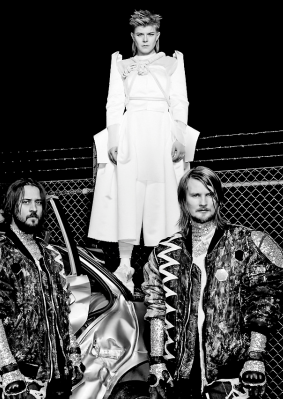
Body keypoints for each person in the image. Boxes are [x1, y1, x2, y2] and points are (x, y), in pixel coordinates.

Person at [142, 166, 283, 399]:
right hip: (180, 374)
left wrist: (255, 357)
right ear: (183, 201)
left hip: (231, 375)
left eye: (209, 194)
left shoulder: (248, 243)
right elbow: (156, 308)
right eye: (195, 195)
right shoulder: (164, 252)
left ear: (218, 198)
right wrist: (157, 362)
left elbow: (264, 303)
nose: (203, 202)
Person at [88, 10, 200, 293]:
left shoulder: (173, 62)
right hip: (132, 131)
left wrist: (179, 138)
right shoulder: (120, 64)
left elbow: (180, 101)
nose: (146, 39)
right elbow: (114, 103)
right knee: (128, 194)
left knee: (163, 197)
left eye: (150, 34)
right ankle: (125, 266)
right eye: (140, 34)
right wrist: (114, 140)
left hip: (162, 131)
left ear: (158, 36)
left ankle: (158, 266)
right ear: (133, 36)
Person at [0, 178, 85, 399]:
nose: (33, 209)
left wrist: (73, 352)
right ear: (12, 206)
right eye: (26, 202)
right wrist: (9, 369)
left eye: (38, 202)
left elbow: (59, 309)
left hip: (57, 374)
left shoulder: (49, 254)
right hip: (22, 377)